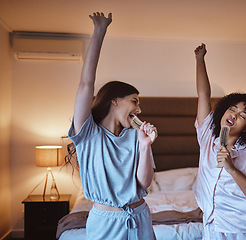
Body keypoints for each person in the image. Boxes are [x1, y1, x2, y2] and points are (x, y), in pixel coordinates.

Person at [68, 12, 157, 240]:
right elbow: (86, 84)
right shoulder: (88, 134)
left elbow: (144, 182)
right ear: (114, 100)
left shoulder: (137, 137)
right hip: (106, 223)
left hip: (140, 217)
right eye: (134, 101)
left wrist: (146, 146)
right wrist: (99, 32)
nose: (138, 110)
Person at [193, 43, 246, 240]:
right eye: (232, 109)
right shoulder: (208, 137)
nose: (234, 115)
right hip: (213, 229)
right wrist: (199, 60)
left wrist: (232, 168)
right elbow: (203, 95)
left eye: (243, 115)